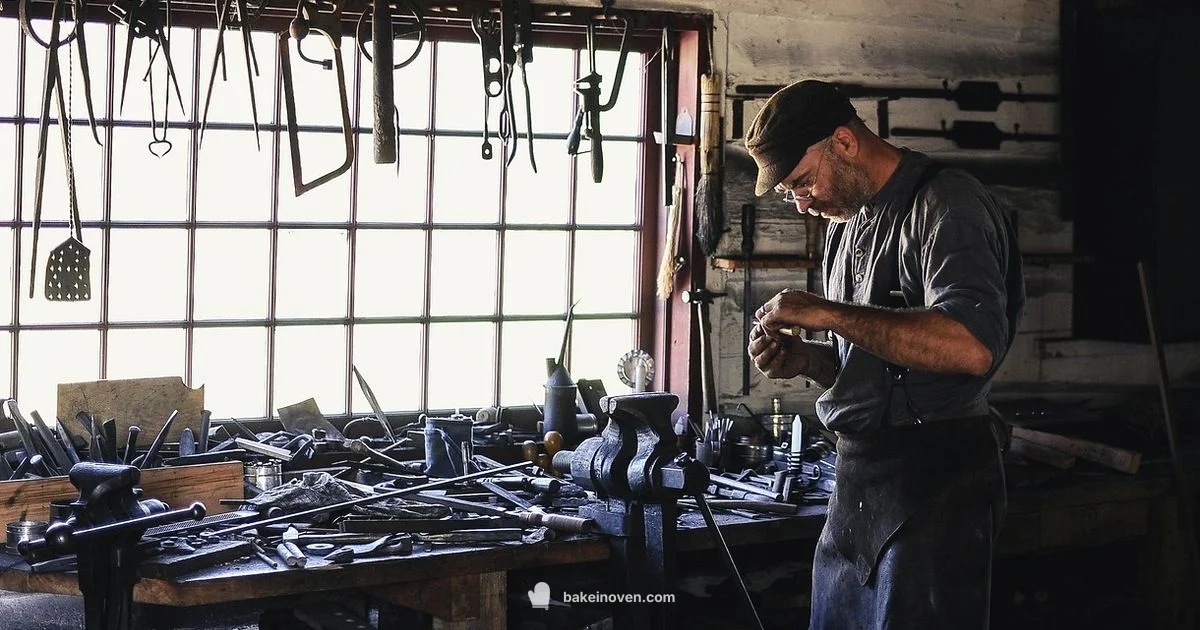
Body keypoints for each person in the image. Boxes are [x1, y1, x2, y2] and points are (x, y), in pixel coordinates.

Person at [743, 80, 1025, 629]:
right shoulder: (851, 225)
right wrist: (808, 361)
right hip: (860, 486)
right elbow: (875, 368)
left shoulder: (947, 203)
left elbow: (970, 347)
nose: (801, 203)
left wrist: (825, 312)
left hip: (935, 482)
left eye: (802, 182)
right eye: (788, 195)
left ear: (844, 143)